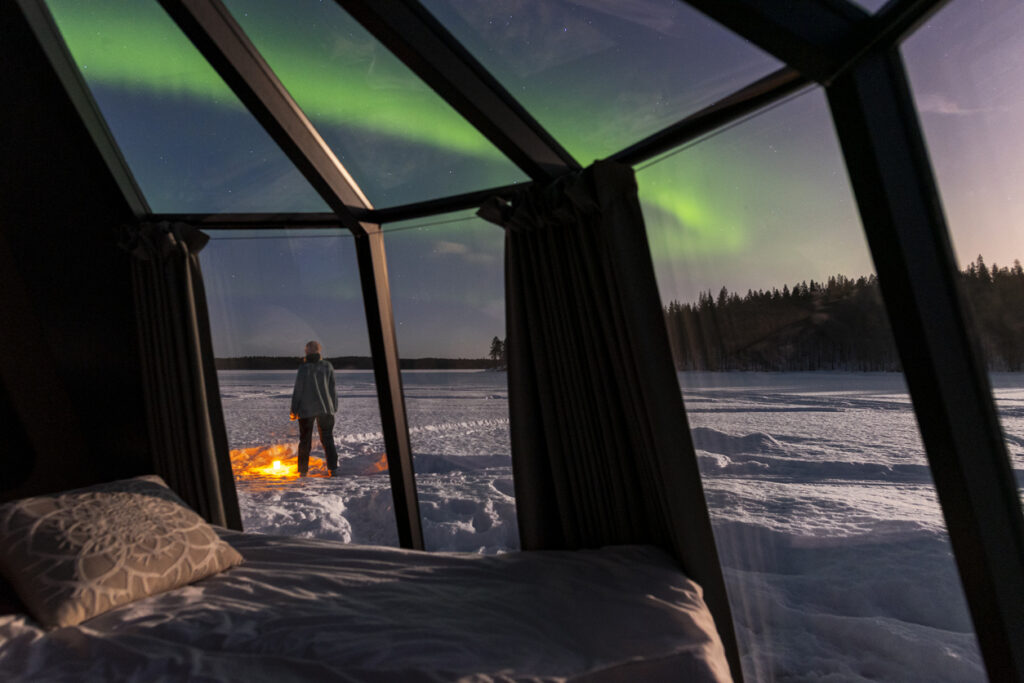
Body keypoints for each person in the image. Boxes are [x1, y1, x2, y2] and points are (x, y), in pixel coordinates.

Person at [290, 340, 339, 477]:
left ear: (307, 351)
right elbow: (332, 389)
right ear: (319, 351)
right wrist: (333, 406)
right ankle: (333, 469)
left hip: (306, 410)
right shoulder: (327, 366)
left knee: (305, 440)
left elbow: (298, 391)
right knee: (328, 439)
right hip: (326, 408)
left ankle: (303, 471)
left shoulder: (304, 368)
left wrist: (294, 410)